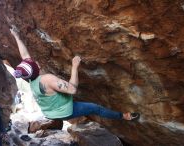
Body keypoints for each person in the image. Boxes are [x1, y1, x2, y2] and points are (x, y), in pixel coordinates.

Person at [10, 27, 140, 122]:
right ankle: (124, 116)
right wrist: (74, 67)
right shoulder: (47, 79)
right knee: (95, 108)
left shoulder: (30, 78)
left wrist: (16, 36)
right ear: (35, 69)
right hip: (63, 112)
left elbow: (25, 55)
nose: (36, 62)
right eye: (35, 63)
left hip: (49, 113)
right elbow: (72, 90)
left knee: (71, 100)